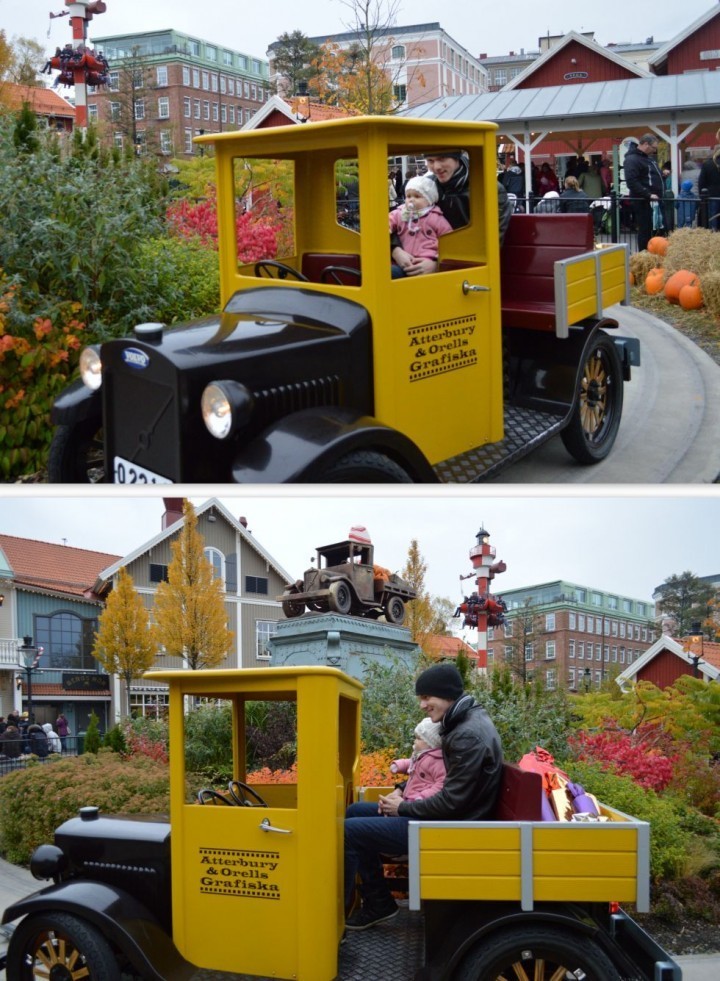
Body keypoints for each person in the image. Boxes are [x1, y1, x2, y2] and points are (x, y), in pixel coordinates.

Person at [344, 662, 503, 930]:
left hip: (449, 828)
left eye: (426, 697)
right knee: (354, 812)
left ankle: (356, 906)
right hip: (449, 818)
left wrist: (402, 808)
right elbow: (436, 779)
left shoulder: (467, 735)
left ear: (447, 695)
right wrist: (400, 789)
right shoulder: (463, 724)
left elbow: (451, 802)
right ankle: (379, 902)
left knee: (349, 830)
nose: (422, 705)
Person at [390, 150, 513, 277]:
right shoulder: (426, 186)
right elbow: (399, 217)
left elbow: (490, 241)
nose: (436, 167)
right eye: (431, 161)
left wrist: (439, 264)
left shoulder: (488, 188)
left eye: (442, 159)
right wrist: (395, 250)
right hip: (417, 262)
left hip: (466, 272)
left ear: (457, 158)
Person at [389, 175, 453, 278]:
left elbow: (449, 239)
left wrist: (437, 259)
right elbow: (387, 222)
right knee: (389, 272)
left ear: (429, 200)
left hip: (426, 262)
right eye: (408, 196)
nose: (411, 200)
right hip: (403, 263)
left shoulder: (435, 217)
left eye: (417, 196)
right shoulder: (400, 213)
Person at [622, 133, 664, 251]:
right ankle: (644, 253)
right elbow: (632, 182)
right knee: (645, 229)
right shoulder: (632, 160)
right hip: (644, 201)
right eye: (653, 148)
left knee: (656, 228)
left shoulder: (647, 159)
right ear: (646, 144)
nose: (654, 151)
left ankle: (655, 252)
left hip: (654, 200)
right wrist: (648, 194)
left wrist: (662, 175)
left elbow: (648, 176)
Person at [389, 717, 446, 801]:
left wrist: (423, 796)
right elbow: (412, 764)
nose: (415, 741)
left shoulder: (437, 761)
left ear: (431, 743)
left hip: (417, 800)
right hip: (410, 797)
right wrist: (400, 765)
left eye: (419, 739)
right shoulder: (422, 755)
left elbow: (441, 784)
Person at [698, 144, 720, 231]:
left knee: (712, 217)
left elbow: (701, 181)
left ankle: (713, 234)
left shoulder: (707, 164)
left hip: (712, 195)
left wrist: (702, 196)